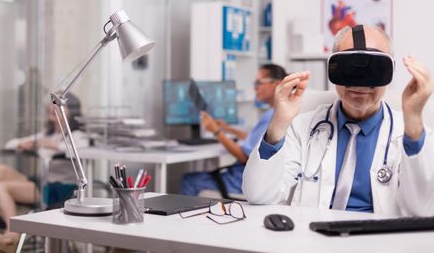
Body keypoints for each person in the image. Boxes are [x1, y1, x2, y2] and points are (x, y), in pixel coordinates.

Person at [243, 25, 434, 216]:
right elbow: (258, 195)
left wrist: (414, 121)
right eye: (349, 66)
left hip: (382, 242)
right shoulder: (302, 127)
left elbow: (423, 209)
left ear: (390, 72)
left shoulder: (411, 134)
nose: (360, 81)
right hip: (312, 239)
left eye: (374, 67)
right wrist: (278, 123)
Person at [0, 93, 86, 251]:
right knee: (0, 170)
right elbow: (12, 143)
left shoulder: (78, 136)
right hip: (41, 180)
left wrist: (47, 144)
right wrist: (26, 143)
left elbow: (78, 151)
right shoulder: (46, 134)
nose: (52, 107)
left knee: (0, 187)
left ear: (71, 110)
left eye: (59, 104)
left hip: (60, 188)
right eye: (52, 104)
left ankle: (12, 234)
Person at [181, 64, 287, 197]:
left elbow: (245, 156)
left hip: (243, 180)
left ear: (277, 84)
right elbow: (258, 141)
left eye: (259, 83)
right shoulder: (280, 113)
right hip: (262, 180)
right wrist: (227, 129)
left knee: (189, 181)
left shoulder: (270, 116)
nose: (255, 88)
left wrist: (216, 132)